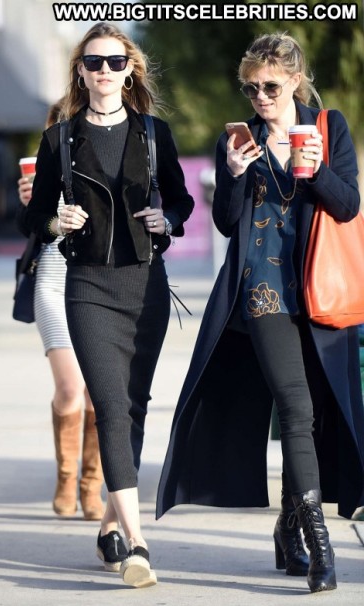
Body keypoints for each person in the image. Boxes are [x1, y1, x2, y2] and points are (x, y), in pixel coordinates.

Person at [156, 32, 364, 594]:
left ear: (294, 80)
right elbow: (227, 223)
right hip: (263, 292)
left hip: (320, 292)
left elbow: (348, 205)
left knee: (316, 418)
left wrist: (316, 170)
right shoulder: (239, 140)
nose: (260, 97)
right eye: (250, 88)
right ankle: (321, 548)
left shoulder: (328, 129)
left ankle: (287, 529)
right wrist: (233, 172)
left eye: (270, 86)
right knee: (295, 410)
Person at [23, 22, 194, 588]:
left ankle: (109, 525)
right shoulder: (60, 139)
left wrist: (167, 220)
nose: (104, 71)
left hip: (145, 285)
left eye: (115, 62)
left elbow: (182, 199)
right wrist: (56, 221)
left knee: (134, 406)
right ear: (80, 71)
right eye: (94, 62)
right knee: (111, 407)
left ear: (130, 70)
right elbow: (32, 216)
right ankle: (137, 543)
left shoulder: (153, 133)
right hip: (87, 286)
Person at [17, 99, 104, 522]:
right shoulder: (42, 169)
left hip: (96, 287)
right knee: (70, 387)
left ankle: (91, 485)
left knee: (97, 392)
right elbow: (32, 228)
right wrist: (30, 205)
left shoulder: (103, 160)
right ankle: (67, 478)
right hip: (52, 285)